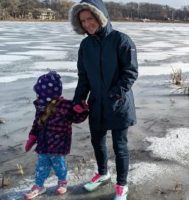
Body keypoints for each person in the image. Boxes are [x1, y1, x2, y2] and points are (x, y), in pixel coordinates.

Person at [69, 0, 138, 199]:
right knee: (97, 141)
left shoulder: (121, 40)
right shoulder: (85, 44)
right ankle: (103, 173)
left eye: (90, 18)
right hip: (96, 103)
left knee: (120, 146)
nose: (87, 24)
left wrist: (115, 93)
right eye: (82, 21)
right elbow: (84, 76)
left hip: (118, 103)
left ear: (100, 16)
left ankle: (121, 185)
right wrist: (78, 100)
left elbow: (131, 72)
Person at [24, 71, 88, 200]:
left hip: (59, 144)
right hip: (43, 143)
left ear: (48, 93)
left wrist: (81, 111)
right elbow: (37, 123)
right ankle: (39, 185)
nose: (37, 95)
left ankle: (62, 181)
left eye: (39, 93)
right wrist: (32, 136)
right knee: (41, 166)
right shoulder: (41, 107)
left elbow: (75, 118)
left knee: (59, 164)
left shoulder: (66, 105)